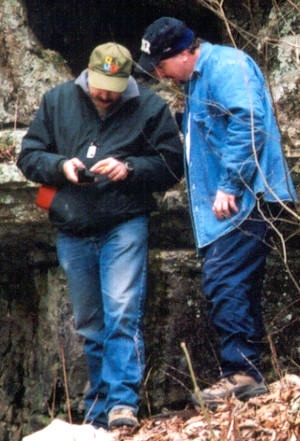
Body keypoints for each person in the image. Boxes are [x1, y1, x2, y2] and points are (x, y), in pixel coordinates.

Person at [17, 42, 183, 429]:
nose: (106, 94)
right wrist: (60, 166)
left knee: (122, 311)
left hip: (125, 223)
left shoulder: (150, 107)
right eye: (99, 84)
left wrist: (130, 169)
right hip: (73, 225)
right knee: (90, 321)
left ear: (128, 80)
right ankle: (99, 403)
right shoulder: (57, 101)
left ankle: (123, 402)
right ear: (86, 73)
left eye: (114, 86)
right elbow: (29, 156)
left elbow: (172, 165)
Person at [137, 17, 298, 409]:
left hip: (246, 197)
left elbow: (250, 122)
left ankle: (242, 372)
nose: (159, 75)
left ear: (182, 53)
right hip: (230, 201)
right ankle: (245, 371)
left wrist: (229, 184)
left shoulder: (227, 66)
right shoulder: (196, 83)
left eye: (160, 66)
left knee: (224, 278)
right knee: (233, 281)